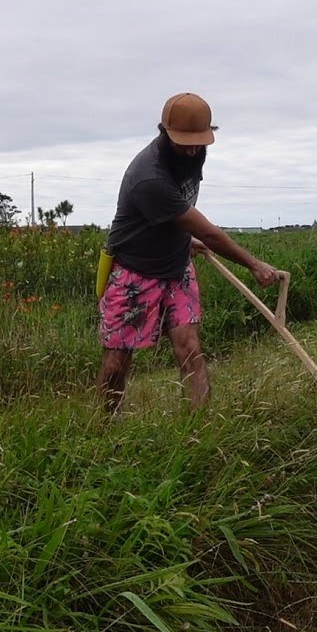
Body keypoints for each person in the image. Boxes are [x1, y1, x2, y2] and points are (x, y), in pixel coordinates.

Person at [97, 92, 280, 415]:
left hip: (177, 267)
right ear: (164, 132)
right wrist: (253, 264)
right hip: (135, 273)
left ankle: (198, 432)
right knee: (117, 361)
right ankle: (101, 430)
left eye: (200, 141)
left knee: (190, 348)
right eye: (185, 141)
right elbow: (206, 230)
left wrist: (180, 238)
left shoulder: (194, 154)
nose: (193, 148)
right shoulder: (148, 177)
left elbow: (180, 213)